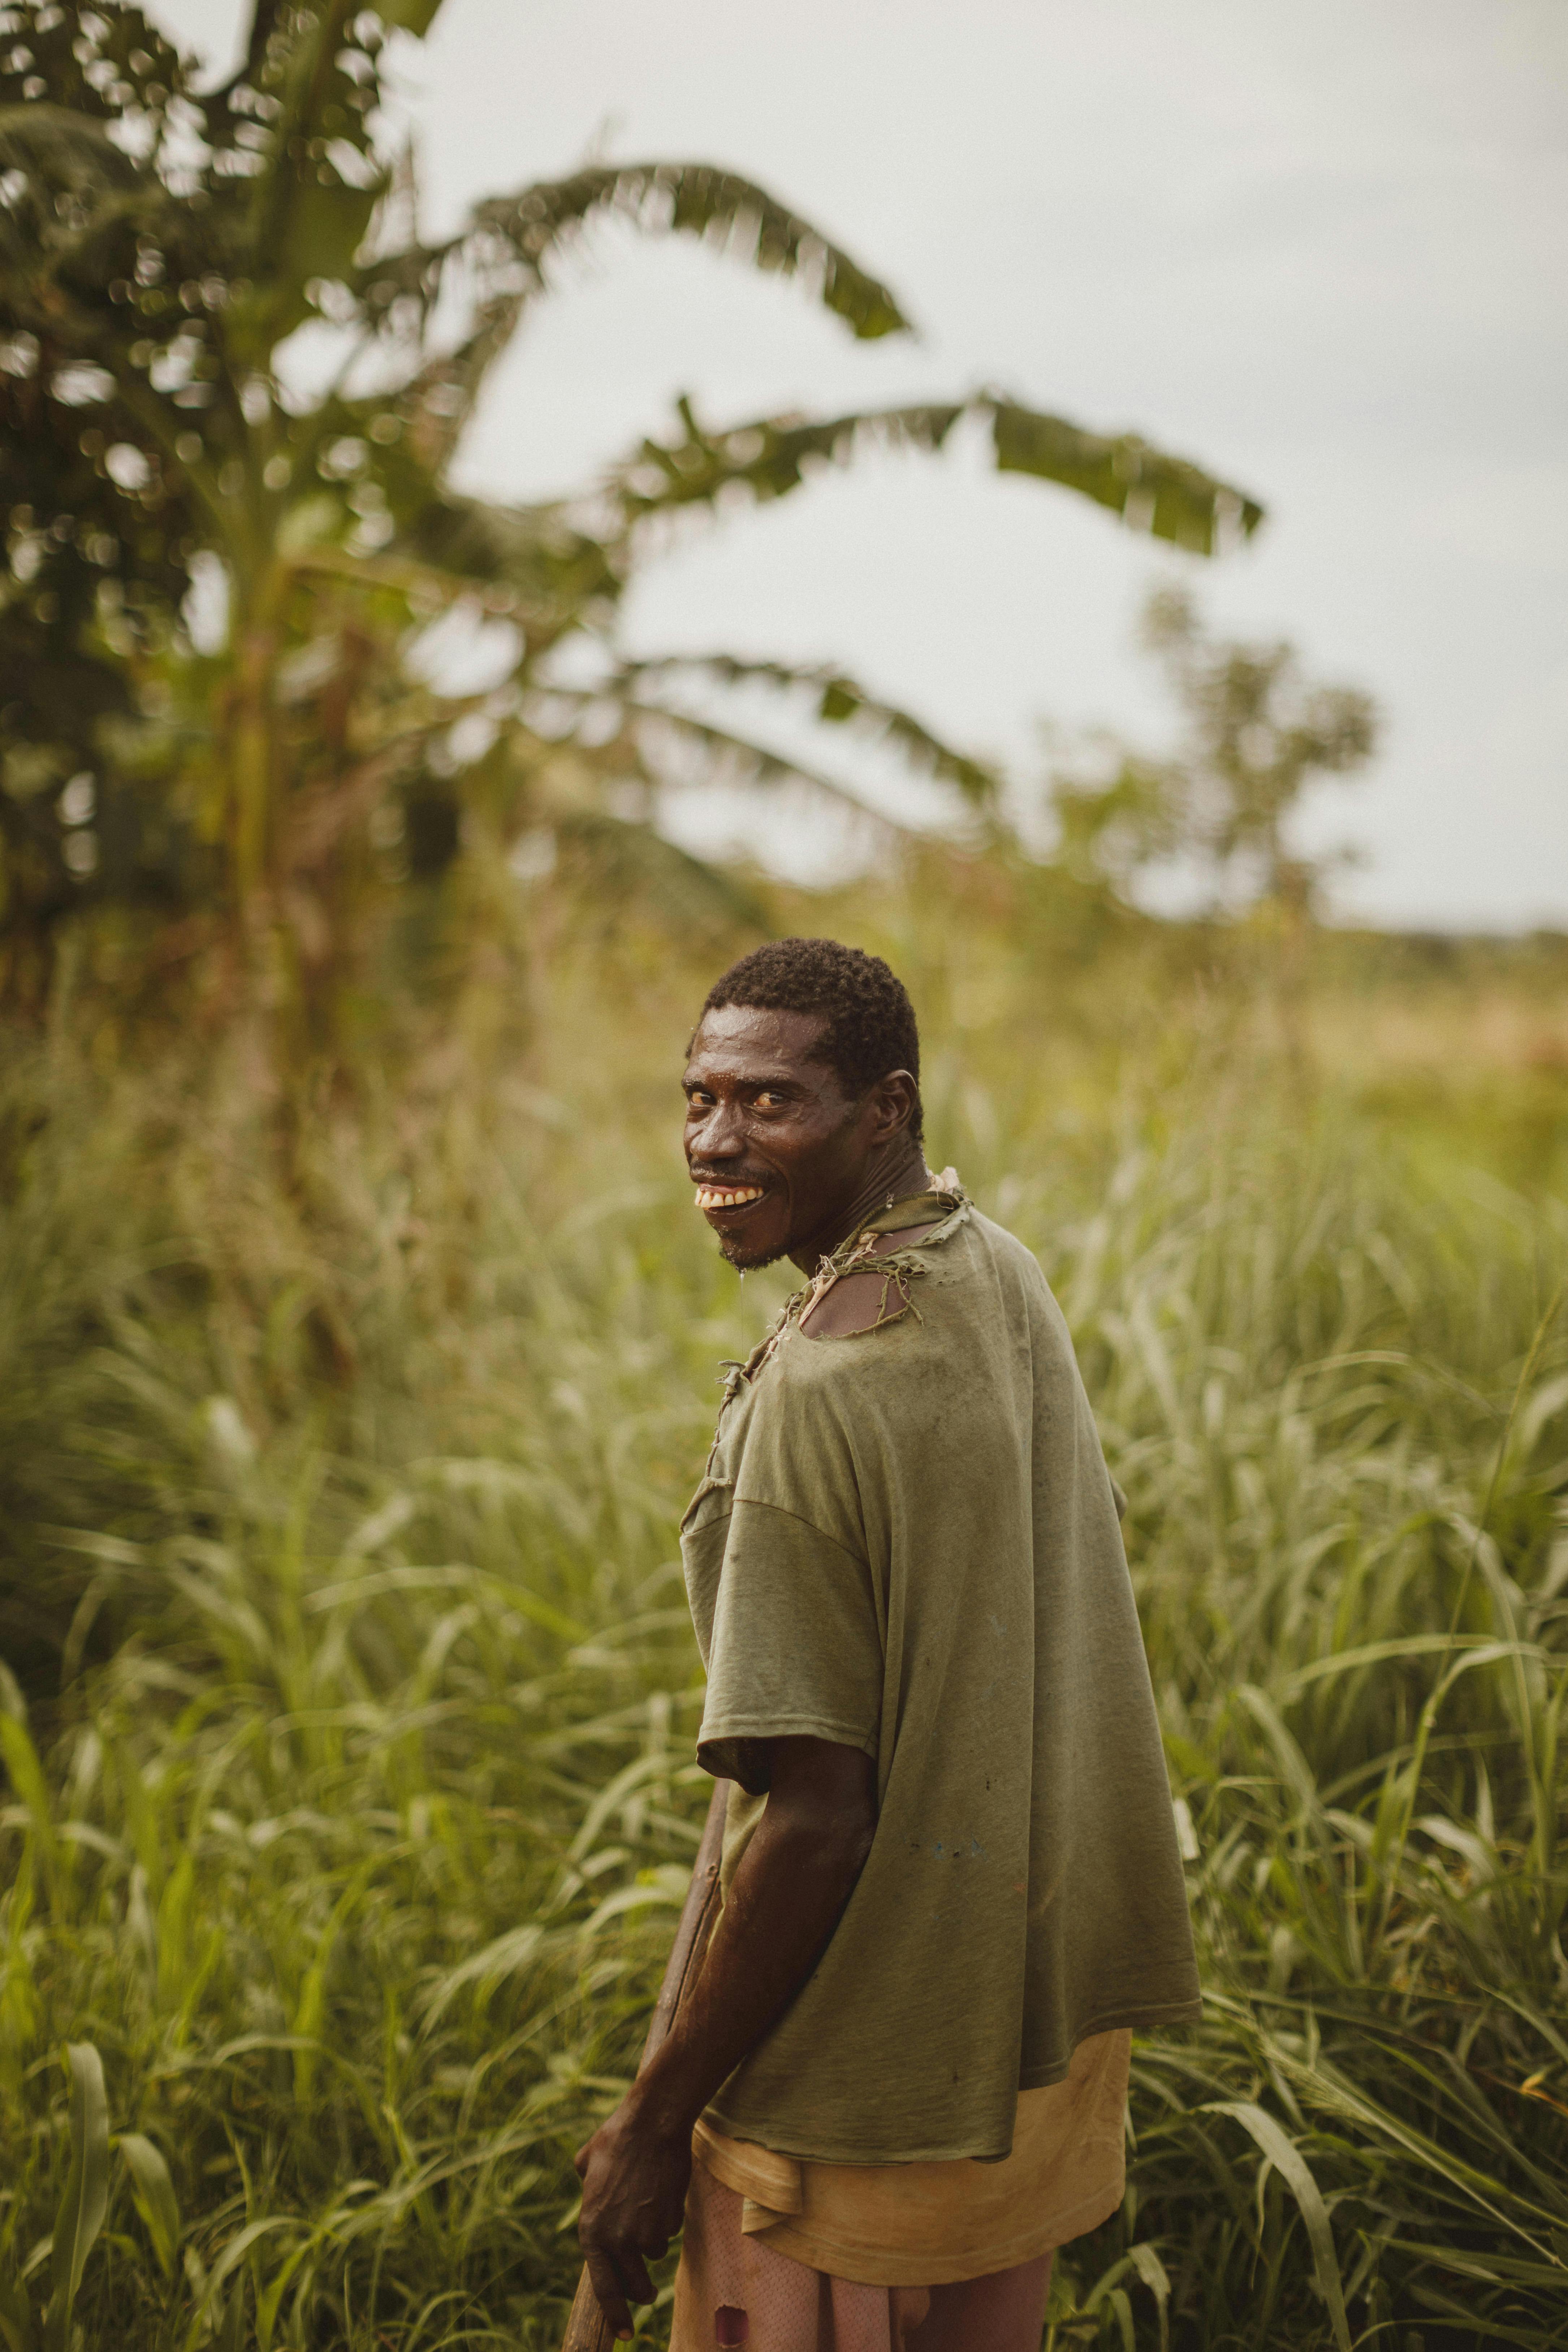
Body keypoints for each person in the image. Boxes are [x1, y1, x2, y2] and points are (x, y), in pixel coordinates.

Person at [575, 938, 1200, 2352]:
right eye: (698, 1096)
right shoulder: (993, 1261)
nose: (714, 1141)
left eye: (770, 1101)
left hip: (864, 2082)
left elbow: (815, 1814)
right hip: (1031, 2030)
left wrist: (655, 2119)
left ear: (888, 1108)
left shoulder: (814, 1394)